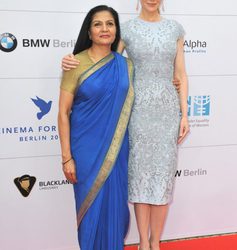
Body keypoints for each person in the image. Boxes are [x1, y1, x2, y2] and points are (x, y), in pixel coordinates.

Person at [61, 1, 189, 249]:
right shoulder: (126, 29)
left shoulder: (176, 29)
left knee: (162, 176)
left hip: (166, 111)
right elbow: (107, 64)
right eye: (99, 24)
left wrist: (184, 114)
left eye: (108, 24)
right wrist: (70, 60)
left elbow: (181, 74)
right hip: (135, 111)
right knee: (140, 176)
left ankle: (155, 242)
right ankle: (142, 242)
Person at [58, 5, 134, 250]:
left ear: (116, 30)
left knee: (116, 209)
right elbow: (62, 112)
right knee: (89, 212)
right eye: (98, 24)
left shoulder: (126, 66)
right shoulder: (75, 63)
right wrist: (67, 157)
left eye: (110, 24)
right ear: (89, 32)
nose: (104, 29)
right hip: (84, 151)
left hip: (118, 148)